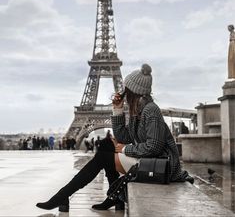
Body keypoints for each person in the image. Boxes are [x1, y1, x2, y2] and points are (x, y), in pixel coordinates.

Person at [36, 64, 190, 213]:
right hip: (151, 161)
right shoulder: (138, 109)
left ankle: (63, 195)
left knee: (103, 157)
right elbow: (123, 136)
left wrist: (124, 149)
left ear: (133, 90)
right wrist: (117, 109)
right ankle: (111, 197)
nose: (123, 91)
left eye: (126, 88)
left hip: (162, 166)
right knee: (105, 145)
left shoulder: (151, 110)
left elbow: (154, 147)